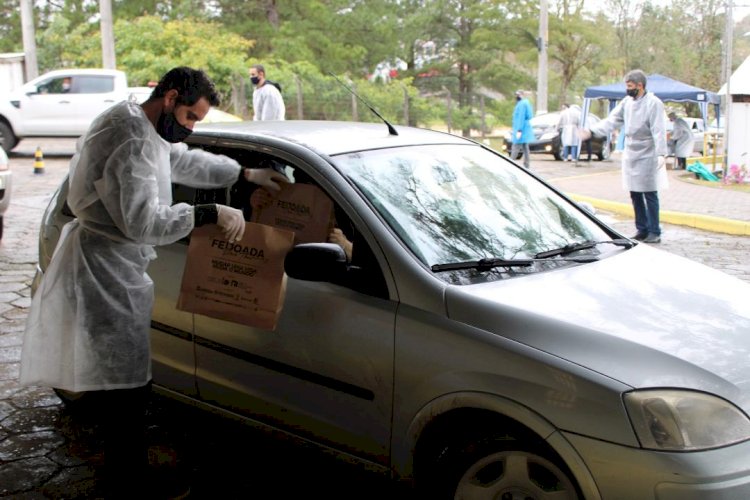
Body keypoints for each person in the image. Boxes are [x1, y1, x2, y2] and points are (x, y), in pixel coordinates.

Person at [19, 66, 287, 498]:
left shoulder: (135, 121)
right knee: (124, 389)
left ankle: (123, 474)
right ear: (170, 97)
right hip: (107, 269)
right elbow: (145, 222)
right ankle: (129, 484)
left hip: (112, 262)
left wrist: (241, 175)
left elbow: (178, 159)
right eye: (189, 117)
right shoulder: (129, 140)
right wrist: (209, 214)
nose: (190, 127)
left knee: (122, 384)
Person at [580, 69, 667, 244]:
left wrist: (661, 153)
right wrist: (592, 130)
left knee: (649, 192)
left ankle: (654, 230)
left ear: (640, 86)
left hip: (648, 150)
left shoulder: (654, 103)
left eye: (630, 86)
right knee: (634, 192)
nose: (627, 89)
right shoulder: (627, 102)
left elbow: (658, 129)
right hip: (631, 150)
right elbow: (612, 121)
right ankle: (641, 228)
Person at [510, 89, 534, 169]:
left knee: (516, 146)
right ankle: (526, 164)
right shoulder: (525, 103)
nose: (517, 96)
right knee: (525, 146)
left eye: (518, 95)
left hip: (520, 128)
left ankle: (510, 163)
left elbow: (521, 117)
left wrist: (519, 130)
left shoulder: (522, 104)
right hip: (524, 128)